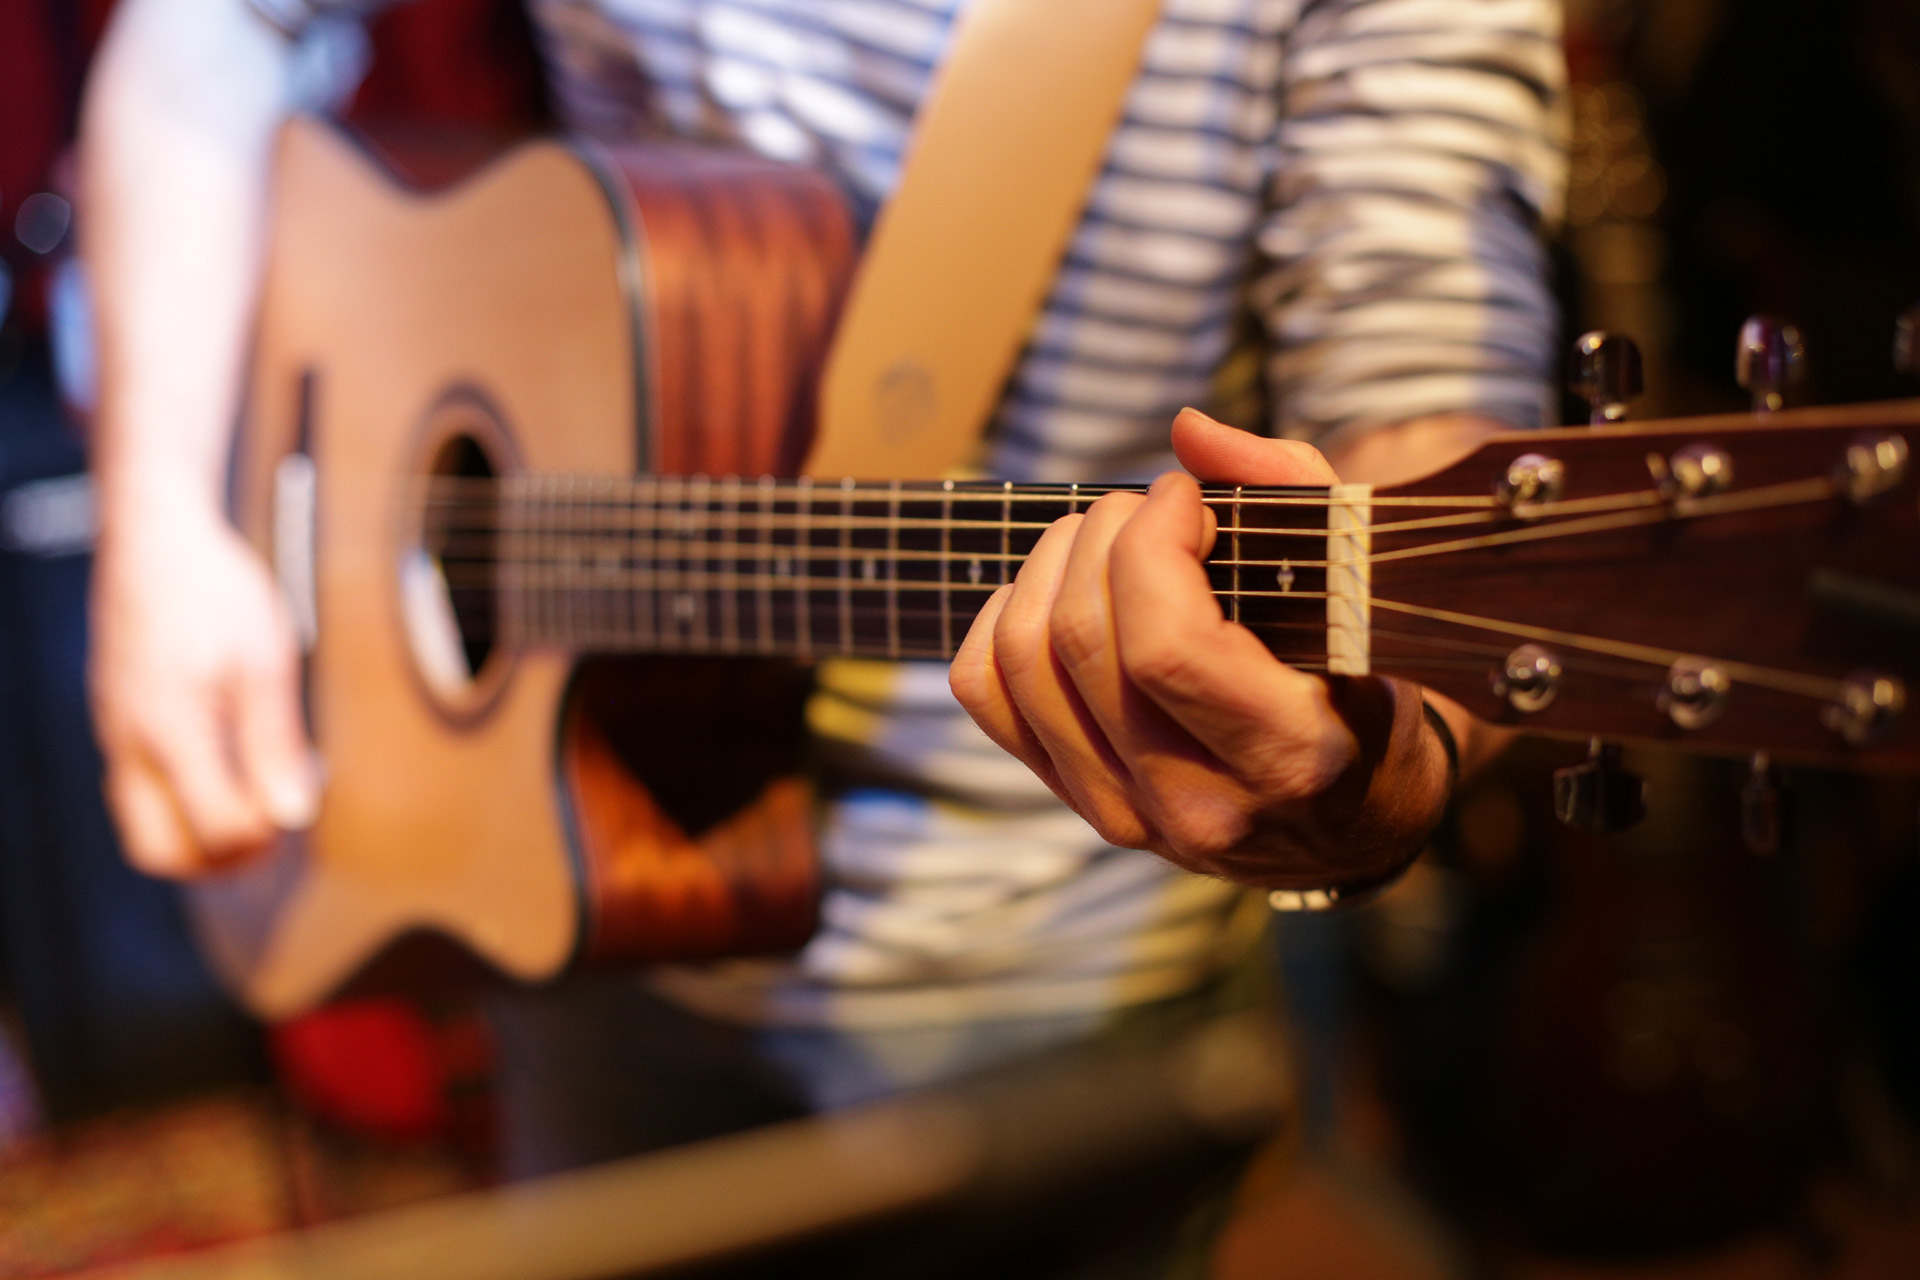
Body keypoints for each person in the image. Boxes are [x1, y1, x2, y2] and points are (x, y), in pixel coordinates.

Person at [81, 0, 1564, 1204]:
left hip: (1042, 981)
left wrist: (1386, 764)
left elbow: (1430, 408)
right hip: (564, 853)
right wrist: (158, 519)